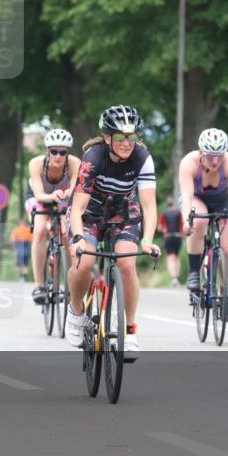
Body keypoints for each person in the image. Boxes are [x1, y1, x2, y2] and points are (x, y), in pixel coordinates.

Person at [66, 105, 160, 360]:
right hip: (90, 212)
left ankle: (129, 332)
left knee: (128, 265)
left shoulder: (142, 157)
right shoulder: (93, 157)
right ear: (107, 138)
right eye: (120, 137)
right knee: (84, 262)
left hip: (122, 212)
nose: (127, 143)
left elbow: (149, 205)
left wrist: (148, 240)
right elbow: (77, 208)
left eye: (132, 137)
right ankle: (76, 312)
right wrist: (76, 238)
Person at [177, 128, 228, 322]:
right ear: (201, 152)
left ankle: (225, 295)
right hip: (197, 199)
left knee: (227, 250)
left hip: (222, 201)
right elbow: (186, 198)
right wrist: (187, 221)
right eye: (210, 156)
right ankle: (194, 271)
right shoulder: (188, 163)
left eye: (219, 155)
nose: (215, 161)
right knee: (199, 219)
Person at [25, 128, 81, 304]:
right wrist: (52, 196)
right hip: (39, 197)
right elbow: (39, 194)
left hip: (63, 199)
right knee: (40, 230)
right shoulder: (36, 164)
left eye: (62, 152)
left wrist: (65, 195)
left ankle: (71, 282)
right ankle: (39, 284)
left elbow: (75, 190)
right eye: (54, 151)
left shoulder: (74, 163)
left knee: (66, 233)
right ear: (47, 151)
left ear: (67, 153)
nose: (58, 156)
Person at [158, 196, 183, 286]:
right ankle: (176, 277)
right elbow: (182, 224)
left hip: (168, 237)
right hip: (178, 236)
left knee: (170, 257)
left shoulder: (164, 214)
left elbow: (160, 228)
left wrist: (163, 229)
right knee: (177, 257)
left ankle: (173, 279)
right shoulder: (178, 213)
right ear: (173, 203)